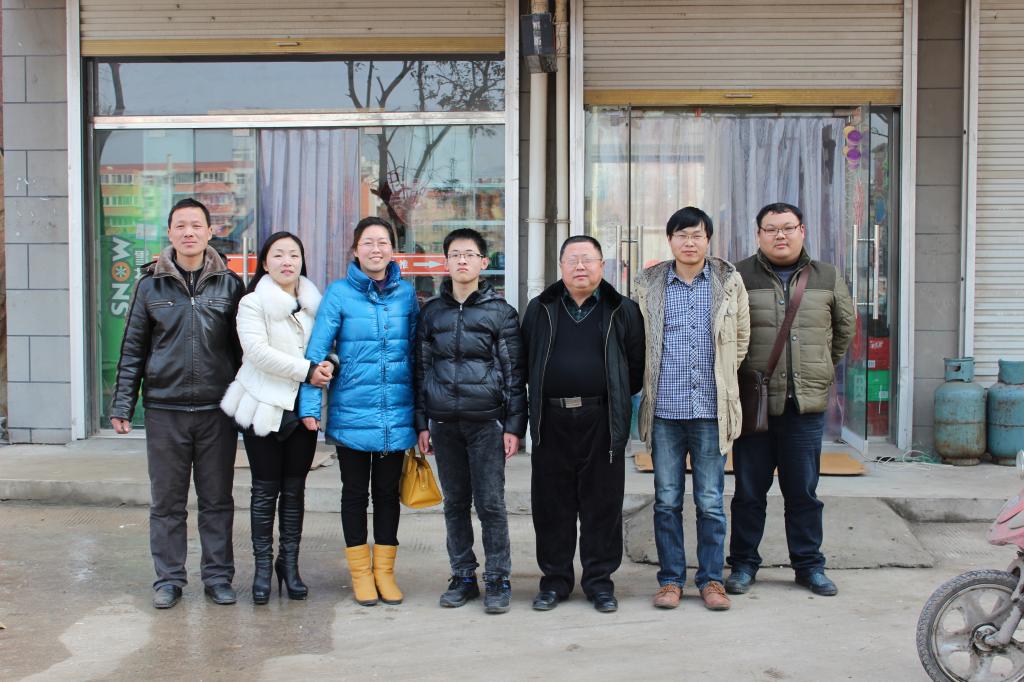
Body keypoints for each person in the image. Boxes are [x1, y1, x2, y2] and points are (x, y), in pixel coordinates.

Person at [110, 197, 245, 609]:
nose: (189, 232)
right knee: (167, 502)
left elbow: (243, 351)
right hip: (165, 410)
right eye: (181, 225)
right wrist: (122, 404)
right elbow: (133, 348)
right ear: (169, 232)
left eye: (196, 225)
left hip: (216, 411)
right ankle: (168, 579)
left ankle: (218, 577)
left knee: (217, 500)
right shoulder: (149, 285)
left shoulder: (230, 284)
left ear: (210, 232)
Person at [726, 202, 855, 598]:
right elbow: (726, 333)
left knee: (803, 493)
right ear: (758, 235)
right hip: (755, 405)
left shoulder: (827, 276)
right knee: (749, 493)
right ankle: (743, 564)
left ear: (802, 231)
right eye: (771, 229)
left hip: (804, 406)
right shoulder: (738, 276)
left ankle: (809, 566)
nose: (779, 235)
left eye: (787, 227)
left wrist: (819, 368)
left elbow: (844, 329)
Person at [521, 235, 645, 613]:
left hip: (602, 419)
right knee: (551, 505)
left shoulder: (622, 309)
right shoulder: (540, 308)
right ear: (560, 266)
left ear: (602, 266)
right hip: (551, 419)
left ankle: (599, 582)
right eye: (572, 259)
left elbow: (634, 370)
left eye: (588, 259)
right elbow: (525, 362)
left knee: (602, 504)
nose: (580, 266)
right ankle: (555, 581)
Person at [298, 216, 418, 607]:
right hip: (352, 411)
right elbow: (317, 353)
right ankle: (361, 574)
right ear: (355, 250)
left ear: (392, 250)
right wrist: (310, 407)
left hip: (395, 413)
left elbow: (417, 354)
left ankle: (385, 572)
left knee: (387, 494)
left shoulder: (407, 295)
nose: (376, 249)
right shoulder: (338, 293)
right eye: (368, 242)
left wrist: (421, 417)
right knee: (354, 494)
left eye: (383, 242)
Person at [635, 207, 750, 611]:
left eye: (697, 235)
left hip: (710, 411)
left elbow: (741, 338)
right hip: (665, 412)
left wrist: (723, 377)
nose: (689, 242)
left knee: (710, 501)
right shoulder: (648, 283)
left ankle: (711, 580)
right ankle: (670, 580)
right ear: (670, 240)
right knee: (667, 499)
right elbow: (638, 340)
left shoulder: (728, 281)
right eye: (682, 235)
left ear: (708, 240)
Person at [415, 228, 527, 615]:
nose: (462, 260)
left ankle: (497, 578)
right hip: (444, 424)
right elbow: (421, 369)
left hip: (486, 424)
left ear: (483, 262)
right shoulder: (431, 312)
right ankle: (463, 576)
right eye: (455, 254)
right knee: (455, 504)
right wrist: (422, 422)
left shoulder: (501, 313)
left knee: (491, 504)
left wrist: (514, 427)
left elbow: (514, 374)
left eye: (469, 254)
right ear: (445, 262)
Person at [220, 232, 333, 604]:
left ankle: (289, 565)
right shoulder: (252, 302)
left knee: (295, 490)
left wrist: (328, 365)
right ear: (265, 263)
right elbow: (256, 352)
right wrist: (308, 370)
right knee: (265, 490)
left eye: (294, 255)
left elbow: (330, 347)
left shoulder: (316, 304)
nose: (287, 261)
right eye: (279, 254)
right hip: (264, 407)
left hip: (303, 410)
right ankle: (262, 569)